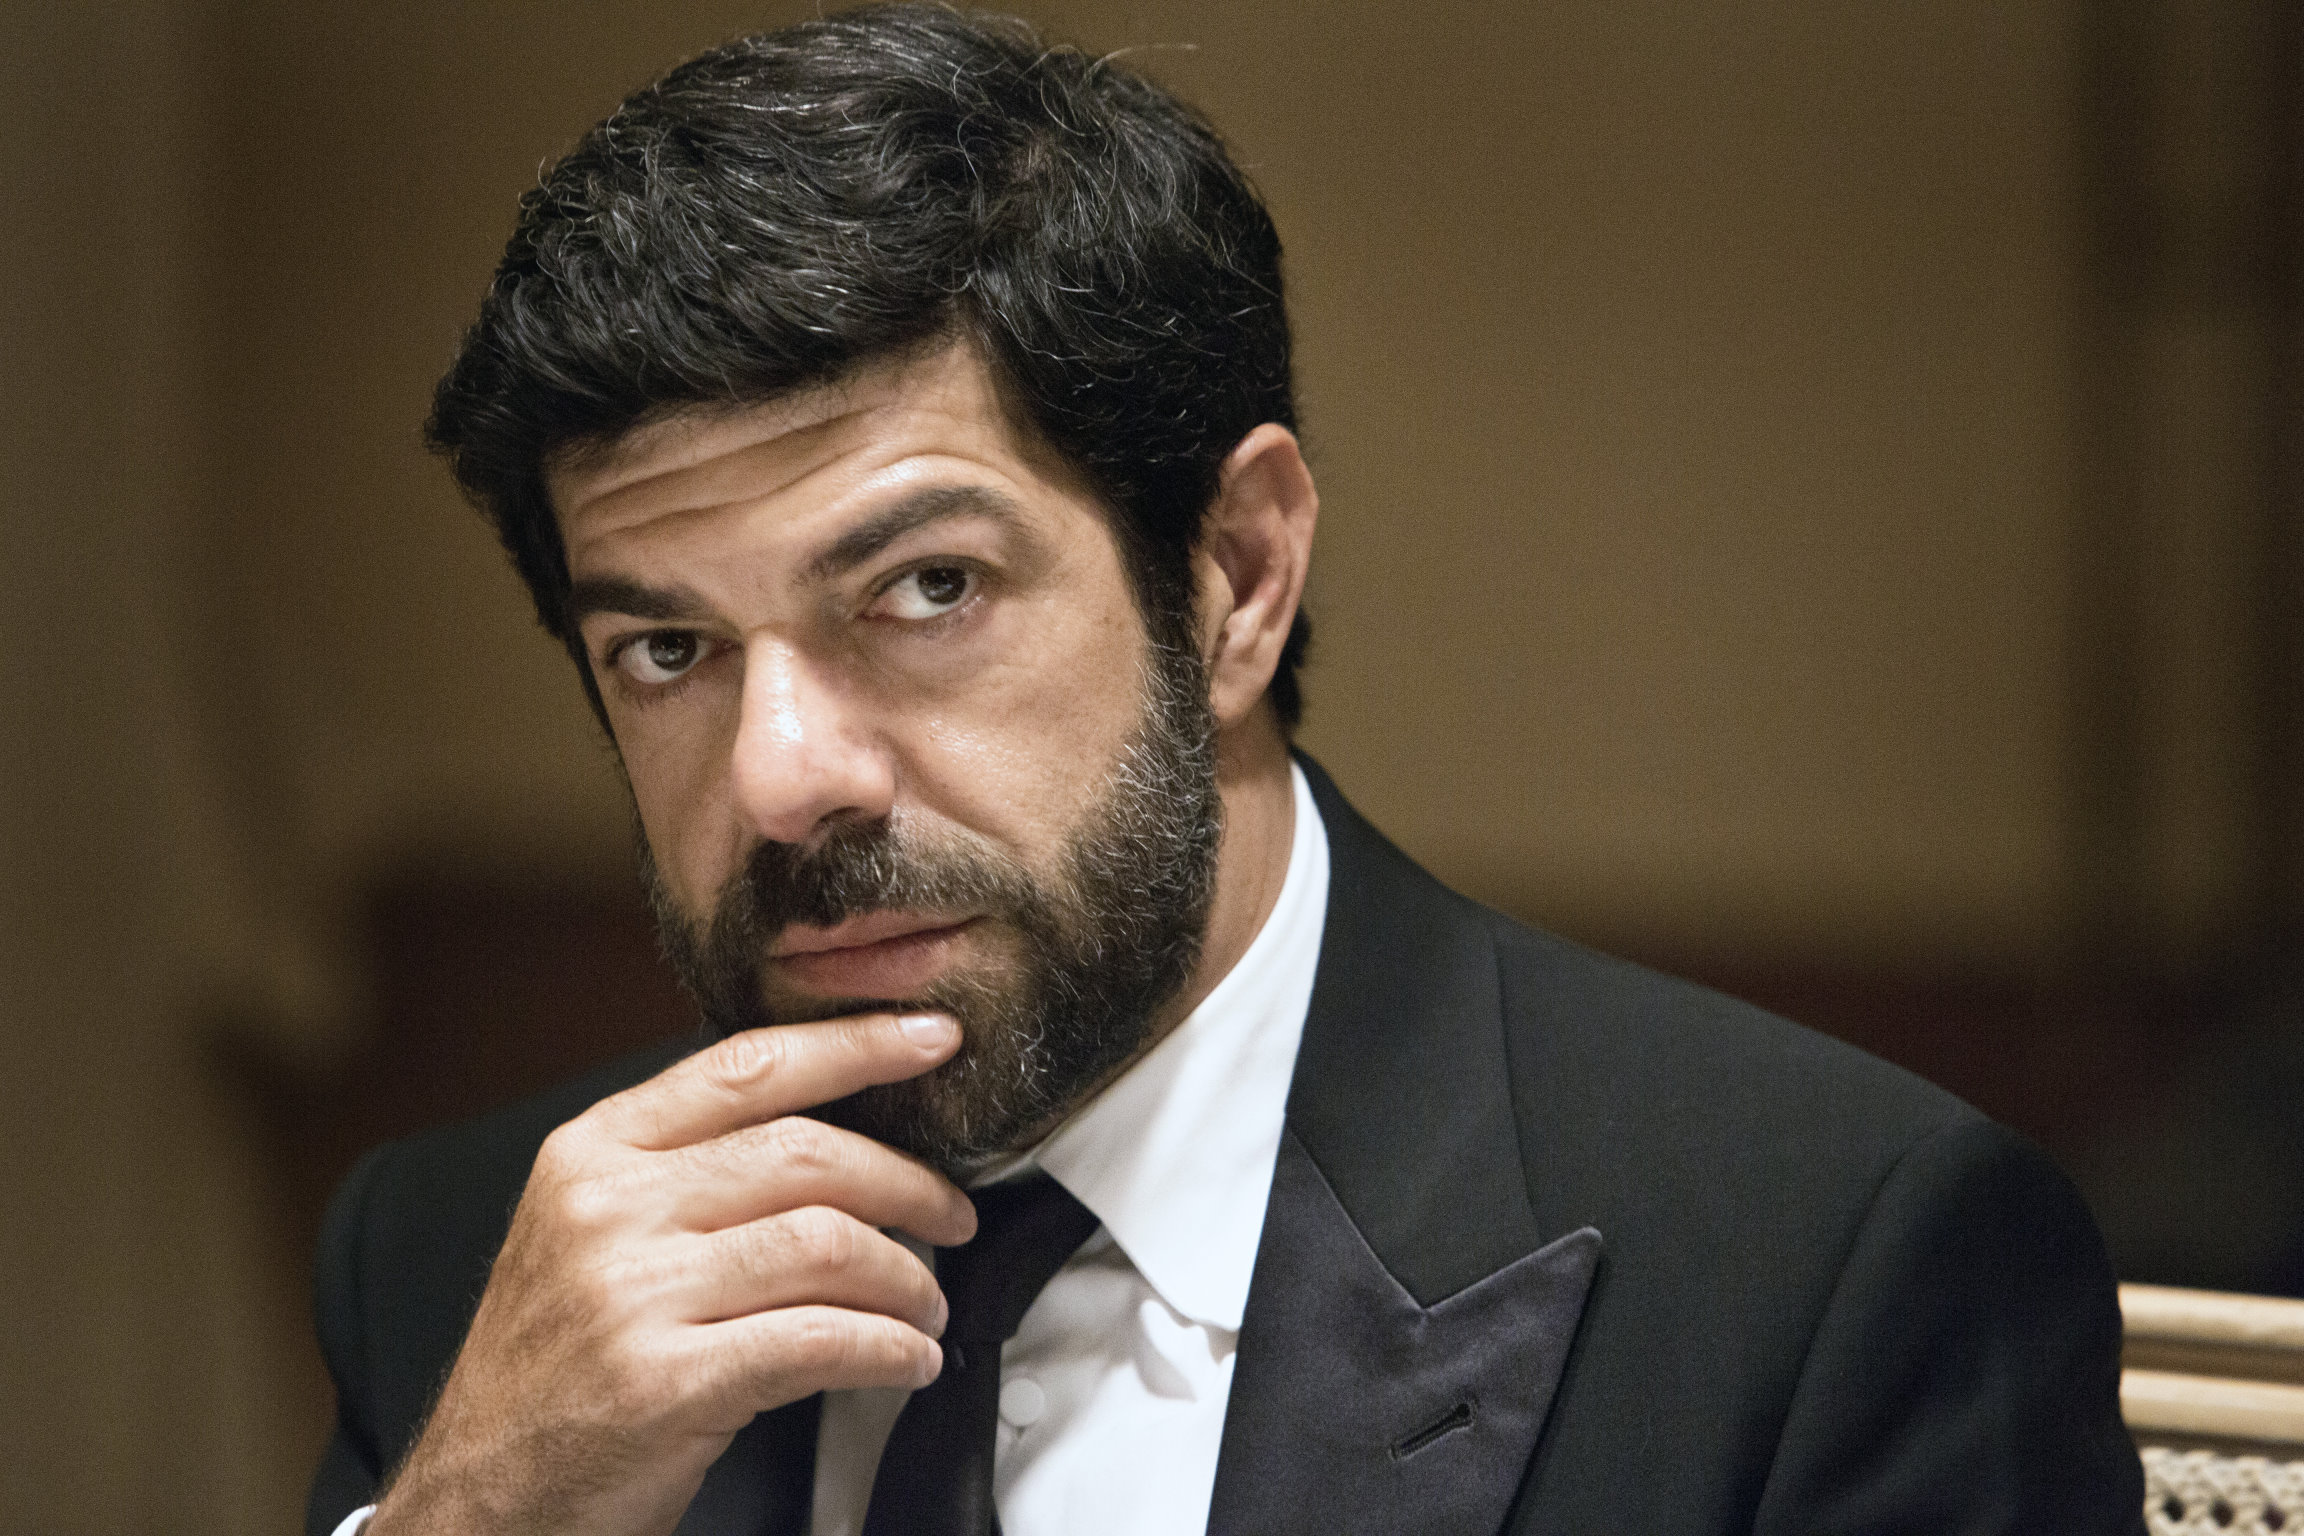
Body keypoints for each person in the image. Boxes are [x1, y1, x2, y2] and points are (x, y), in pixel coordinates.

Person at [305, 7, 2147, 1534]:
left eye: (928, 589)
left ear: (1239, 577)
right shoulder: (469, 1272)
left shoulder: (1823, 1278)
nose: (783, 780)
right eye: (668, 650)